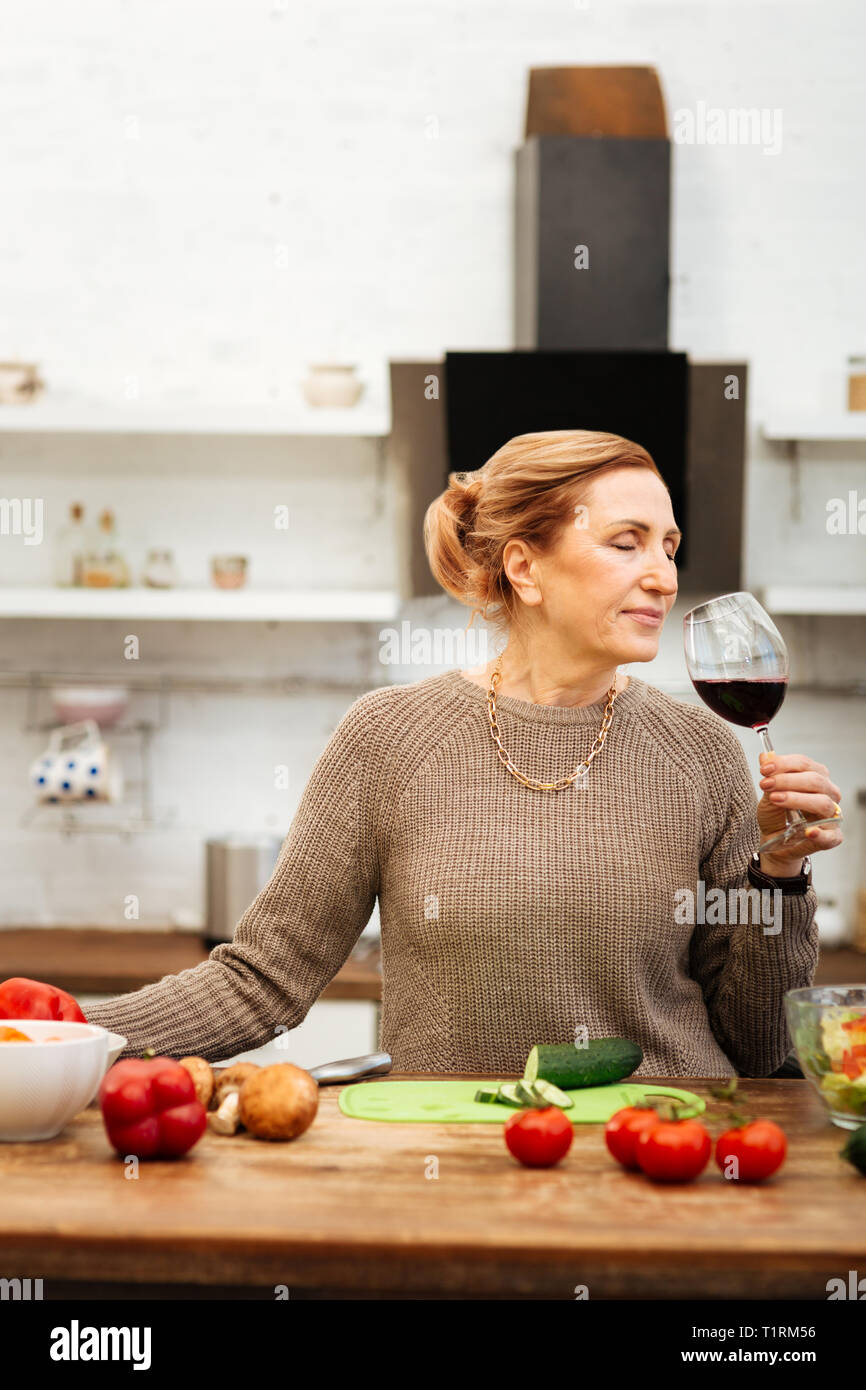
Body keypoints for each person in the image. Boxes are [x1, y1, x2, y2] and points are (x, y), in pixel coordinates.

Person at [86, 430, 843, 1077]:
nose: (664, 576)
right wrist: (59, 1037)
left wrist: (779, 874)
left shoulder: (704, 751)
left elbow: (758, 1046)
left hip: (658, 1155)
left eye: (669, 546)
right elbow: (264, 980)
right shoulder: (388, 738)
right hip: (446, 1165)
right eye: (627, 543)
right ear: (524, 567)